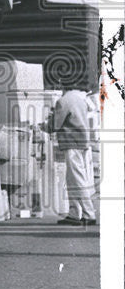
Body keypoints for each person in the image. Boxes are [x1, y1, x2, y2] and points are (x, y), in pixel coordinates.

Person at [45, 89, 97, 226]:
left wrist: (46, 123)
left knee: (77, 179)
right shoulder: (81, 98)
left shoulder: (63, 101)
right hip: (82, 141)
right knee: (72, 179)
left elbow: (55, 125)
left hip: (72, 142)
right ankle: (74, 213)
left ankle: (89, 213)